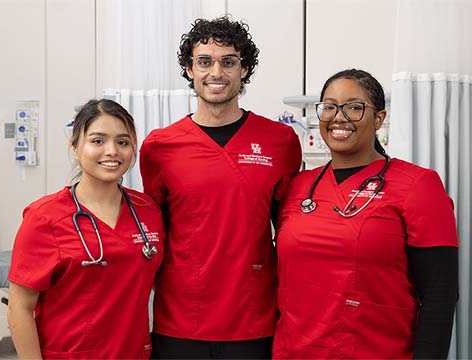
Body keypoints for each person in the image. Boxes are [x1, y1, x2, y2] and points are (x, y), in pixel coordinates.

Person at [140, 16, 302, 359]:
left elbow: (289, 231)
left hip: (253, 317)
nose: (217, 72)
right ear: (188, 69)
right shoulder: (159, 147)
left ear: (244, 69)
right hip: (181, 319)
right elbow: (154, 231)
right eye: (204, 62)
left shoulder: (280, 142)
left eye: (229, 61)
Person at [272, 69, 459, 359]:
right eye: (330, 107)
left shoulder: (418, 186)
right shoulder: (299, 187)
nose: (339, 117)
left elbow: (440, 293)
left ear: (379, 118)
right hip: (293, 351)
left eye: (354, 107)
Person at [7, 99, 164, 359]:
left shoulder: (147, 210)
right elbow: (20, 307)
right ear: (75, 147)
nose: (112, 151)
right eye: (98, 141)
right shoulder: (44, 218)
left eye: (123, 142)